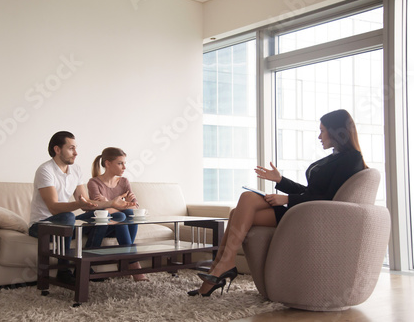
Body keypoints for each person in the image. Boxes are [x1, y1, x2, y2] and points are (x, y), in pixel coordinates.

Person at [188, 109, 367, 297]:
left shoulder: (351, 159)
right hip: (303, 209)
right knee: (236, 212)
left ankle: (224, 265)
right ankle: (217, 270)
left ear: (336, 131)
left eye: (322, 131)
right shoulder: (335, 156)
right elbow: (310, 191)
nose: (319, 136)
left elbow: (328, 199)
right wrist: (280, 180)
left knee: (247, 199)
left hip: (309, 217)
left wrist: (287, 199)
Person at [28, 131, 135, 285]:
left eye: (76, 148)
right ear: (57, 150)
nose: (76, 153)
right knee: (68, 217)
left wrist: (111, 204)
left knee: (113, 216)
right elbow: (53, 208)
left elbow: (87, 204)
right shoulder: (45, 170)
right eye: (71, 148)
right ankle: (63, 272)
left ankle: (85, 266)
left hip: (66, 226)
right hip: (42, 226)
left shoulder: (76, 170)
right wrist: (80, 204)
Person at [83, 147, 148, 281]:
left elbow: (134, 206)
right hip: (101, 226)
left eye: (125, 163)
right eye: (120, 163)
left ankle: (129, 263)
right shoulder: (94, 183)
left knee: (127, 214)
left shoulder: (124, 182)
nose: (124, 167)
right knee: (123, 216)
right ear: (107, 163)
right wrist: (122, 205)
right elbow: (102, 209)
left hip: (118, 225)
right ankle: (133, 264)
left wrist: (118, 204)